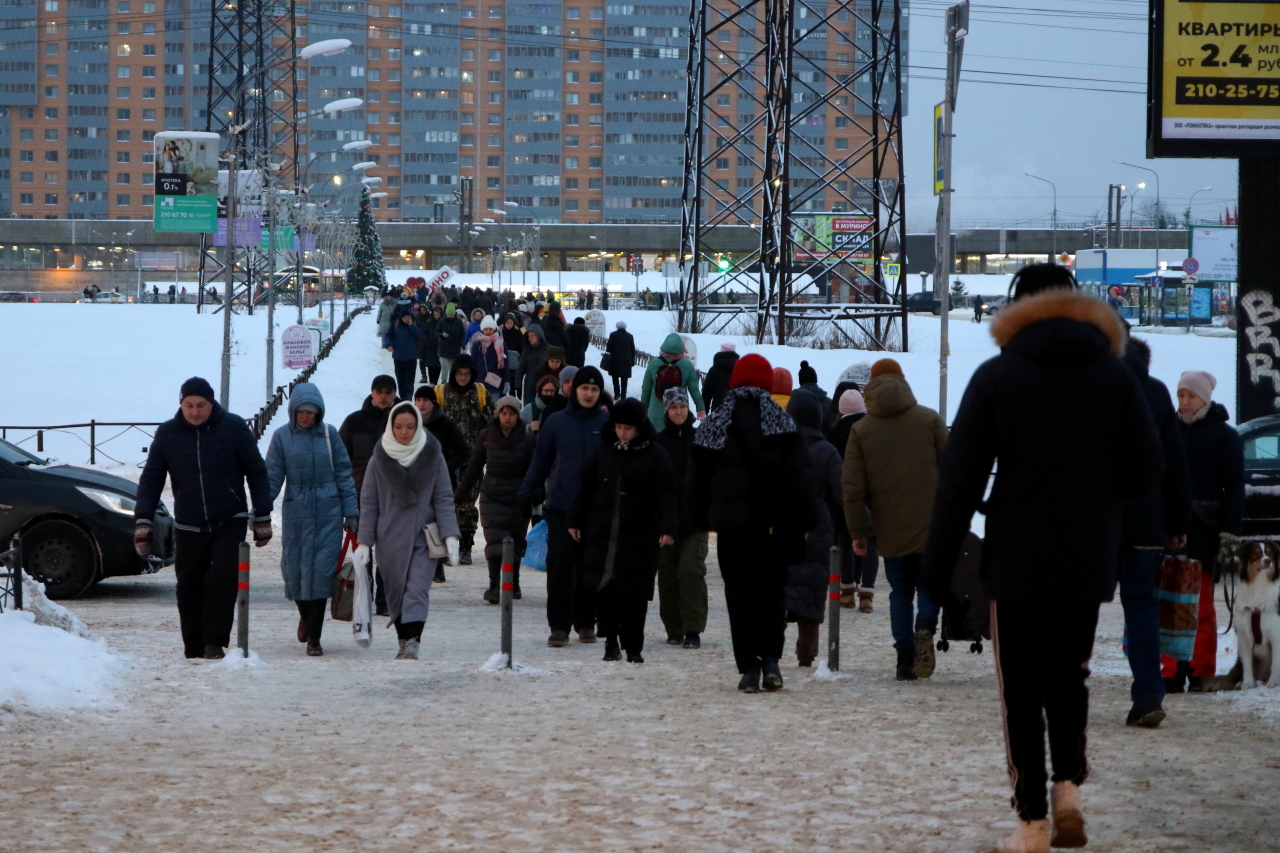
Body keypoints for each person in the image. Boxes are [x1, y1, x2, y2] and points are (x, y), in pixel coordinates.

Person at [924, 263, 1161, 853]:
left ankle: (1030, 822)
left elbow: (957, 481)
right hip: (1087, 557)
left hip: (1017, 556)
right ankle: (1070, 790)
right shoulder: (1116, 376)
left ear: (1016, 308)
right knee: (1070, 677)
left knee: (1020, 691)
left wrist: (936, 565)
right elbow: (1144, 470)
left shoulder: (998, 377)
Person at [688, 354, 816, 693]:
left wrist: (700, 519)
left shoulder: (715, 424)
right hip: (774, 527)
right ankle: (772, 658)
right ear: (766, 385)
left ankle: (749, 667)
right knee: (772, 593)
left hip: (733, 530)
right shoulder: (784, 424)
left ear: (734, 383)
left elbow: (697, 478)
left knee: (740, 595)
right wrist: (806, 520)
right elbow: (801, 479)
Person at [133, 377, 273, 660]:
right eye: (189, 405)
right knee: (188, 584)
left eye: (201, 405)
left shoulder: (234, 428)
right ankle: (193, 646)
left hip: (229, 518)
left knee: (223, 579)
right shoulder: (168, 434)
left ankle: (214, 642)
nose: (195, 411)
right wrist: (143, 520)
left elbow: (256, 471)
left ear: (212, 404)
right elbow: (151, 479)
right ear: (181, 404)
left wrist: (263, 516)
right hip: (188, 522)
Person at [842, 358, 946, 681]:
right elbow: (954, 472)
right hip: (932, 525)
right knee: (930, 584)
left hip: (890, 529)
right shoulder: (930, 420)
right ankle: (926, 624)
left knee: (900, 591)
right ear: (903, 382)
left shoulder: (861, 430)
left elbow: (853, 488)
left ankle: (904, 659)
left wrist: (858, 531)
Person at [569, 398, 678, 663]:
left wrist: (667, 526)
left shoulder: (656, 455)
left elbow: (667, 494)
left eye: (628, 427)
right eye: (618, 426)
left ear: (639, 427)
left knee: (635, 593)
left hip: (639, 534)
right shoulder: (604, 451)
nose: (622, 432)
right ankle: (611, 643)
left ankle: (634, 647)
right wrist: (575, 519)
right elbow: (585, 486)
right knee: (601, 589)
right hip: (602, 532)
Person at [1119, 337, 1190, 727]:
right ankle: (1148, 695)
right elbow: (1175, 462)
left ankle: (1063, 695)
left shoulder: (1091, 386)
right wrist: (1178, 523)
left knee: (1079, 606)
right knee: (1141, 604)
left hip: (1095, 520)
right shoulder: (1157, 392)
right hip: (1147, 520)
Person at [356, 402, 461, 661]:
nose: (405, 432)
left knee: (416, 589)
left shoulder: (432, 455)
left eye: (411, 427)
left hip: (423, 536)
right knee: (396, 592)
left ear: (419, 426)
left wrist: (451, 534)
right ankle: (404, 640)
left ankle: (413, 642)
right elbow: (369, 503)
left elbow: (444, 498)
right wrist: (364, 543)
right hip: (389, 538)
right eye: (399, 427)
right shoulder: (378, 458)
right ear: (391, 427)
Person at [1162, 369, 1244, 694]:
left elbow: (1235, 489)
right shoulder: (1167, 431)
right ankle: (1170, 671)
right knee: (1169, 603)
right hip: (1171, 530)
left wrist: (1229, 535)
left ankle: (1200, 671)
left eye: (1190, 395)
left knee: (1203, 607)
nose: (1184, 402)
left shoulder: (1225, 437)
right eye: (1181, 395)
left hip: (1206, 531)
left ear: (1205, 399)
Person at [518, 366, 610, 647]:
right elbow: (540, 463)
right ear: (574, 390)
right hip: (560, 507)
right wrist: (525, 493)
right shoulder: (556, 422)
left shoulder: (608, 424)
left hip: (595, 509)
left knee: (589, 568)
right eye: (585, 388)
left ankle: (585, 622)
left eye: (594, 389)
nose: (589, 394)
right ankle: (558, 626)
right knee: (559, 568)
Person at [265, 384, 359, 657]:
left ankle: (314, 638)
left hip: (329, 515)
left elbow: (344, 474)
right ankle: (305, 616)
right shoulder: (281, 438)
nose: (306, 417)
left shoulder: (330, 436)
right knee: (293, 573)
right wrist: (261, 509)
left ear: (319, 413)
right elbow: (272, 476)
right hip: (296, 515)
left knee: (321, 574)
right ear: (293, 411)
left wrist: (350, 512)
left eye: (311, 412)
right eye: (302, 412)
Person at [457, 395, 536, 603]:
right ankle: (493, 585)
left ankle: (514, 583)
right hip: (492, 496)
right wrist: (459, 496)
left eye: (511, 413)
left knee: (516, 541)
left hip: (519, 496)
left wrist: (535, 494)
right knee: (495, 542)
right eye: (503, 413)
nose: (507, 417)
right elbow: (474, 468)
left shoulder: (527, 439)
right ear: (498, 414)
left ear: (517, 415)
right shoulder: (486, 436)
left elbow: (534, 470)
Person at [784, 391, 842, 667]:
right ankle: (806, 654)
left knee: (779, 590)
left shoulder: (780, 446)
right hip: (818, 527)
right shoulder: (827, 451)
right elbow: (842, 491)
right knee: (812, 592)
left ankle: (770, 651)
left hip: (784, 525)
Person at [339, 375, 399, 615]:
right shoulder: (354, 422)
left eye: (388, 391)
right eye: (379, 391)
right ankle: (363, 596)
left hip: (393, 495)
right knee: (363, 549)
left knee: (388, 551)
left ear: (394, 393)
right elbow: (342, 460)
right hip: (361, 492)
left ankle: (385, 601)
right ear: (372, 393)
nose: (383, 396)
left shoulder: (405, 420)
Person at [655, 388, 708, 649]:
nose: (678, 412)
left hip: (695, 520)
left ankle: (693, 629)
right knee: (667, 575)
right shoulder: (658, 442)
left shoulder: (700, 439)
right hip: (666, 522)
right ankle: (673, 628)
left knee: (690, 572)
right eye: (674, 407)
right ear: (666, 410)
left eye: (682, 407)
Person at [434, 353, 494, 565]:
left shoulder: (480, 393)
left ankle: (466, 546)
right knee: (446, 503)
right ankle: (446, 545)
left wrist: (487, 447)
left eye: (466, 374)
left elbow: (491, 423)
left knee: (467, 504)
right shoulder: (441, 393)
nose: (462, 377)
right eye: (459, 373)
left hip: (473, 458)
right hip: (446, 460)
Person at [413, 386, 472, 582]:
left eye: (426, 400)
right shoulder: (409, 423)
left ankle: (438, 567)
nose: (422, 403)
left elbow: (463, 450)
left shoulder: (446, 424)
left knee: (436, 523)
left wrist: (444, 467)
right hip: (415, 481)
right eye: (418, 399)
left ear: (433, 403)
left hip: (440, 482)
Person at [829, 388, 877, 613]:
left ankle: (847, 592)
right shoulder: (872, 430)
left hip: (844, 495)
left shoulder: (834, 433)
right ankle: (866, 595)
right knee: (871, 544)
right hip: (871, 496)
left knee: (845, 542)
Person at [641, 333, 706, 431]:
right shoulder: (687, 365)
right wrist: (700, 408)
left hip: (656, 412)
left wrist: (643, 408)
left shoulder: (653, 363)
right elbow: (694, 389)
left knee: (657, 442)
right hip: (679, 411)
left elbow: (646, 388)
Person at [384, 308, 426, 401]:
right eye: (406, 317)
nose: (408, 319)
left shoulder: (414, 324)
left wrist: (412, 327)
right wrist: (389, 345)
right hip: (398, 358)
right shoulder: (395, 324)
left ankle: (408, 398)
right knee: (400, 380)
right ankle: (403, 398)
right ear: (401, 318)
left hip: (411, 358)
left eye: (409, 317)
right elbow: (388, 336)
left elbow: (421, 336)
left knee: (410, 381)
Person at [469, 315, 507, 395]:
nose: (488, 331)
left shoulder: (500, 343)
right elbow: (473, 363)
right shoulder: (477, 344)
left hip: (496, 380)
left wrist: (507, 381)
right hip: (480, 381)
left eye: (490, 329)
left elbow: (505, 363)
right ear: (482, 329)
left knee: (494, 405)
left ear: (494, 329)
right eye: (486, 329)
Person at [700, 342, 739, 414]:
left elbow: (707, 392)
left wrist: (704, 410)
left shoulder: (714, 370)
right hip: (736, 410)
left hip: (718, 409)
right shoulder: (740, 369)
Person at [517, 322, 548, 400]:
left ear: (538, 336)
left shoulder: (548, 349)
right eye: (528, 336)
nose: (530, 338)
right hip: (529, 386)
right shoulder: (527, 350)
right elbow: (521, 367)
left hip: (544, 386)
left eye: (532, 335)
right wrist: (518, 385)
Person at [605, 320, 636, 399]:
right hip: (626, 360)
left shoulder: (613, 335)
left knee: (615, 378)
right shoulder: (630, 336)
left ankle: (617, 394)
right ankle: (623, 395)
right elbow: (632, 349)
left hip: (615, 360)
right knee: (624, 378)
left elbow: (608, 348)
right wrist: (632, 360)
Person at [435, 302, 465, 380]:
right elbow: (436, 332)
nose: (450, 316)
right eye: (448, 314)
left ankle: (453, 385)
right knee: (444, 369)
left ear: (454, 314)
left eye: (451, 315)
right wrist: (442, 334)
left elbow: (463, 334)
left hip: (455, 350)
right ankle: (444, 384)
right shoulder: (442, 321)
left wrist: (460, 343)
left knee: (453, 370)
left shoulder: (458, 322)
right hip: (443, 350)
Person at [500, 313, 525, 394]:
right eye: (507, 323)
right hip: (504, 359)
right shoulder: (501, 332)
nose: (509, 325)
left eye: (511, 323)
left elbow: (522, 345)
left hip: (515, 359)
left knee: (513, 379)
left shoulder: (518, 332)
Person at [418, 305, 442, 385]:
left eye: (438, 315)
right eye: (435, 315)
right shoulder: (429, 323)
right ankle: (432, 382)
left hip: (440, 347)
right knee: (430, 365)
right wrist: (426, 339)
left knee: (438, 365)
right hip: (430, 347)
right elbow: (424, 333)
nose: (436, 317)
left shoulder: (443, 322)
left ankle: (435, 381)